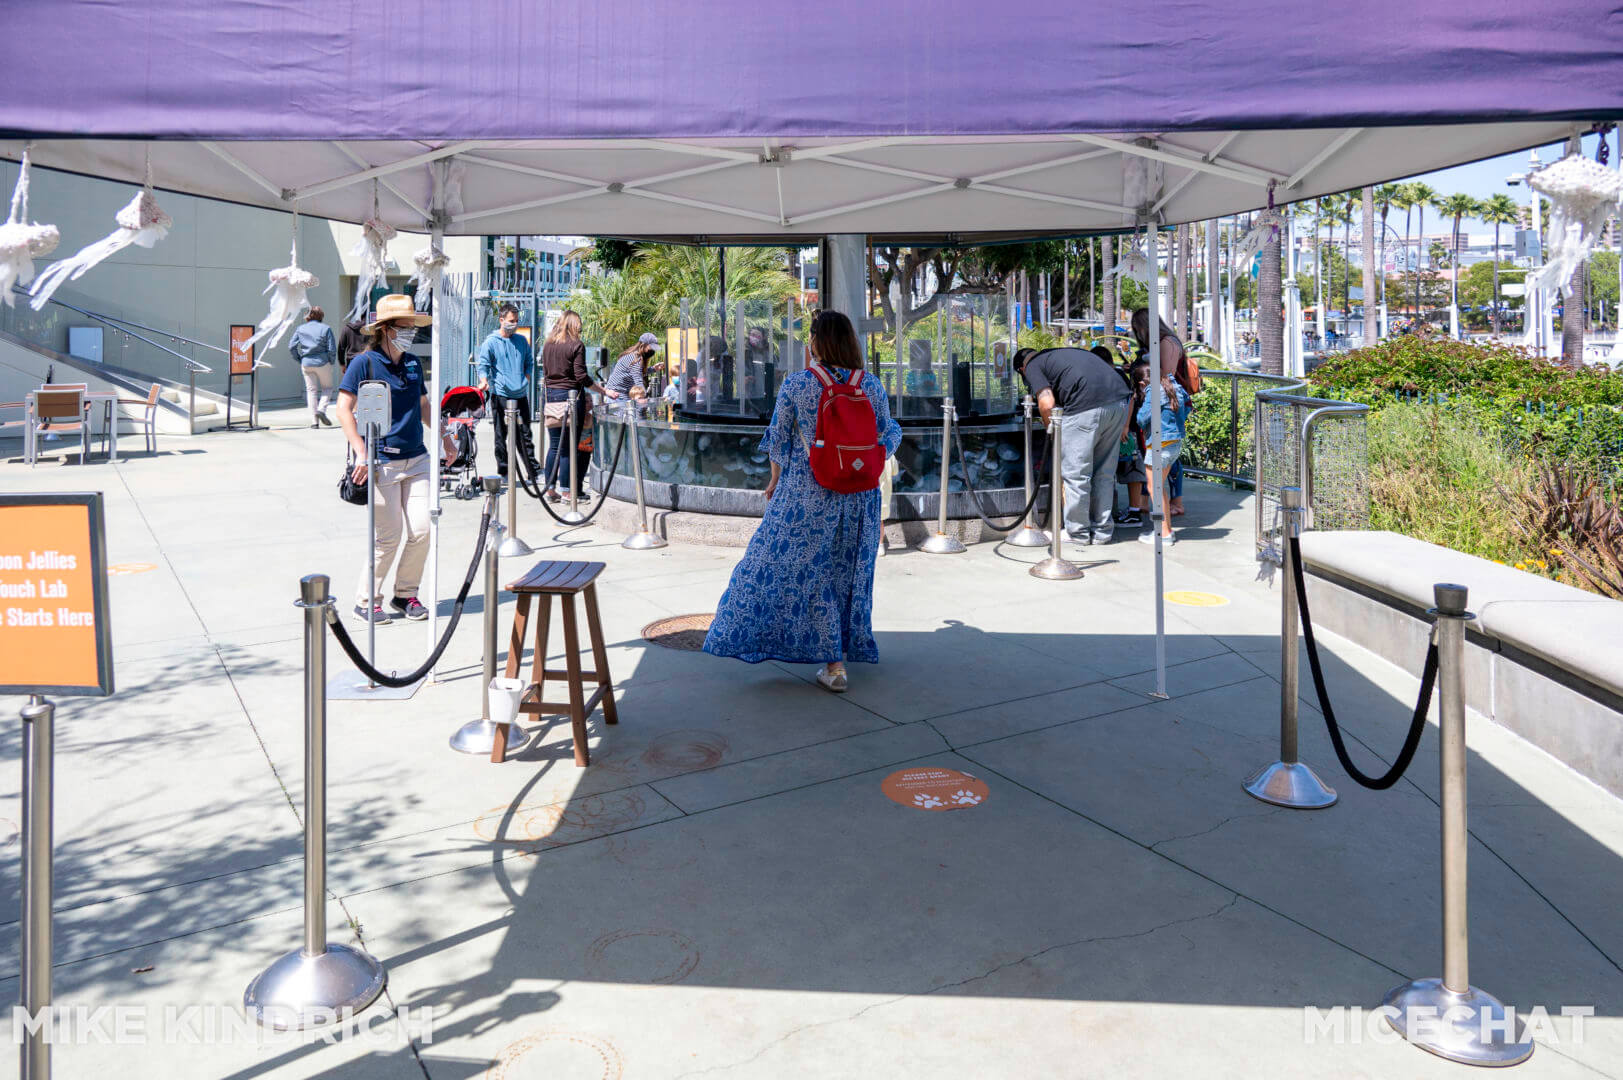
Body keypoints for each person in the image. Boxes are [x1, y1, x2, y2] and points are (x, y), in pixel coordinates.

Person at [703, 310, 901, 692]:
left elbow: (777, 439)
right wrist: (870, 461)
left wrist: (775, 481)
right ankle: (838, 658)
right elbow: (889, 432)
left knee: (779, 568)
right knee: (847, 574)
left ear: (817, 341)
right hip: (859, 498)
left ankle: (824, 659)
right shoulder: (871, 385)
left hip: (807, 494)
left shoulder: (798, 384)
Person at [337, 294, 435, 624]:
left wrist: (446, 437)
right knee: (389, 537)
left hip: (417, 459)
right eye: (405, 327)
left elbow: (423, 405)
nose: (410, 332)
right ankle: (367, 600)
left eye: (412, 326)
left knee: (422, 531)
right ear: (387, 329)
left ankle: (406, 594)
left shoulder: (411, 363)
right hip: (382, 462)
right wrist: (362, 452)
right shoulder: (363, 363)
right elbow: (343, 409)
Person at [1013, 344, 1132, 545]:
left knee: (1076, 474)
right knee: (1104, 473)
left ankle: (1078, 533)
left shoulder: (1033, 365)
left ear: (1021, 369)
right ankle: (1102, 532)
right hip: (1118, 404)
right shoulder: (1063, 353)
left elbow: (1046, 403)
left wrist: (1050, 428)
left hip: (1085, 408)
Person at [539, 310, 600, 501]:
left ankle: (550, 489)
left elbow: (547, 372)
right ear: (575, 325)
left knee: (555, 446)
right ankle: (566, 491)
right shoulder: (576, 345)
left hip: (550, 397)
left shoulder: (548, 344)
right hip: (571, 397)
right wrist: (601, 390)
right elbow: (580, 375)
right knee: (568, 447)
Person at [476, 303, 540, 482]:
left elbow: (529, 361)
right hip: (501, 395)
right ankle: (504, 471)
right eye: (512, 321)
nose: (515, 324)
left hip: (520, 394)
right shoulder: (491, 342)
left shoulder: (521, 341)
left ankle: (533, 473)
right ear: (501, 320)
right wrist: (484, 381)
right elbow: (483, 365)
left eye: (517, 321)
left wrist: (525, 379)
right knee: (500, 435)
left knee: (525, 435)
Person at [1136, 370, 1192, 544]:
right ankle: (1166, 530)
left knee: (1155, 489)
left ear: (1141, 384)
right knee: (1160, 488)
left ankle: (1163, 534)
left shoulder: (1154, 390)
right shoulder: (1175, 386)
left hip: (1160, 444)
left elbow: (1141, 418)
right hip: (1174, 443)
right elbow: (1188, 407)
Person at [289, 306, 337, 428]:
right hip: (323, 362)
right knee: (327, 388)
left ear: (307, 316)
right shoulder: (326, 328)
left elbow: (291, 346)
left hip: (306, 363)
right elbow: (332, 349)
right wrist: (331, 361)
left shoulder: (300, 329)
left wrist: (299, 358)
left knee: (311, 391)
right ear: (321, 316)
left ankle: (314, 422)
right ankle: (321, 409)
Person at [604, 333, 658, 402]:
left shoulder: (634, 355)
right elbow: (638, 380)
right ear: (643, 345)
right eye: (652, 347)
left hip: (622, 393)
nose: (653, 350)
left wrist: (653, 369)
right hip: (617, 394)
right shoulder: (635, 359)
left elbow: (636, 372)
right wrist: (644, 398)